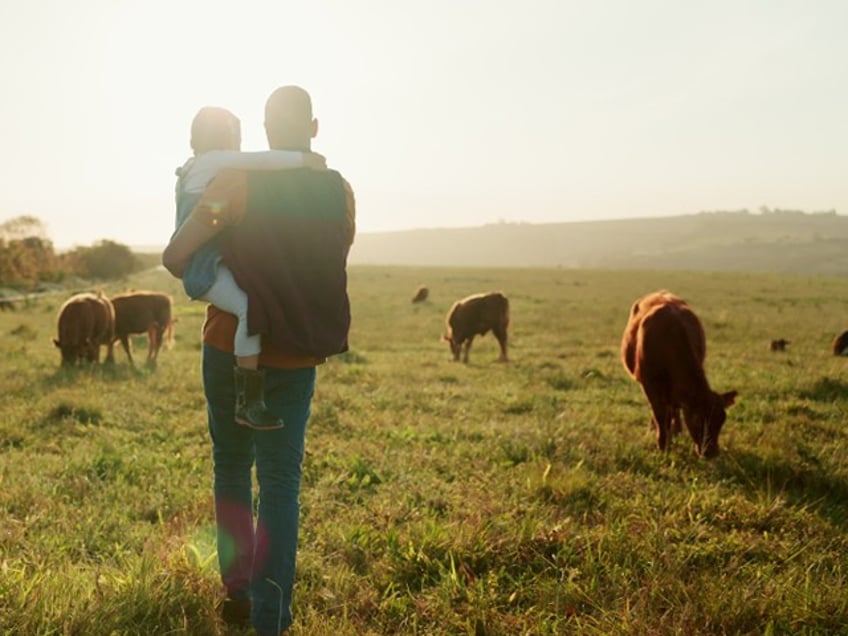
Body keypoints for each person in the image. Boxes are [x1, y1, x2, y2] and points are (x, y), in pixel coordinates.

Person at [162, 85, 355, 636]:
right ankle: (272, 623)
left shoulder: (234, 182)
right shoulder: (339, 191)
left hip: (228, 345)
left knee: (230, 467)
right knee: (280, 483)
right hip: (296, 352)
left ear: (264, 134)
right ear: (313, 129)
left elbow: (177, 256)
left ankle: (237, 595)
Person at [173, 105, 326, 430]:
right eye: (235, 135)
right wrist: (304, 161)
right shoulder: (215, 161)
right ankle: (249, 401)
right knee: (249, 307)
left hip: (208, 261)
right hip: (205, 266)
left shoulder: (193, 166)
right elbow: (262, 161)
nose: (238, 144)